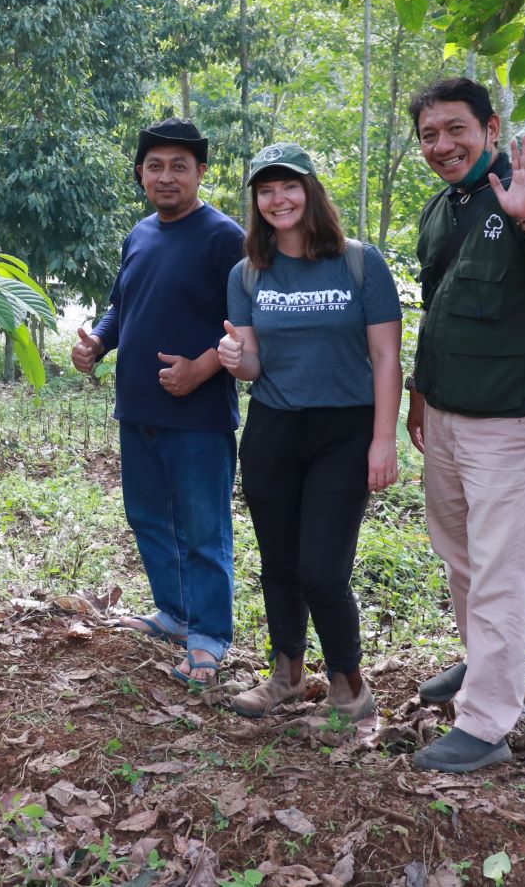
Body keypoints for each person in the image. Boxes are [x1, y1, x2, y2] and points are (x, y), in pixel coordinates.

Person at [405, 77, 525, 772]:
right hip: (448, 415)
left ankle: (487, 723)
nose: (441, 145)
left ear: (490, 128)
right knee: (460, 559)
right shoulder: (442, 207)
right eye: (428, 135)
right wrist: (418, 396)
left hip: (510, 422)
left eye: (455, 129)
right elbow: (439, 311)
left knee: (500, 572)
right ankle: (482, 664)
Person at [217, 144, 402, 721]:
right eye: (265, 191)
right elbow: (251, 364)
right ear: (256, 202)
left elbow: (386, 358)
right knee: (278, 562)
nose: (278, 200)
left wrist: (383, 439)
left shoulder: (359, 263)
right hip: (273, 428)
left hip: (345, 429)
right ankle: (287, 675)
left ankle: (350, 686)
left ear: (311, 192)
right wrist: (231, 356)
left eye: (288, 187)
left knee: (322, 570)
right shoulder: (247, 273)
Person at [72, 117, 245, 689]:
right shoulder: (140, 233)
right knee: (148, 517)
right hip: (139, 407)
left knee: (203, 527)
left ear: (200, 172)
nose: (166, 177)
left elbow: (248, 326)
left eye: (178, 166)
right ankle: (173, 615)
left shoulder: (225, 238)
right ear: (141, 174)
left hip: (198, 415)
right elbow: (123, 306)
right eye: (155, 166)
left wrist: (202, 367)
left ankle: (209, 636)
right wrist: (98, 340)